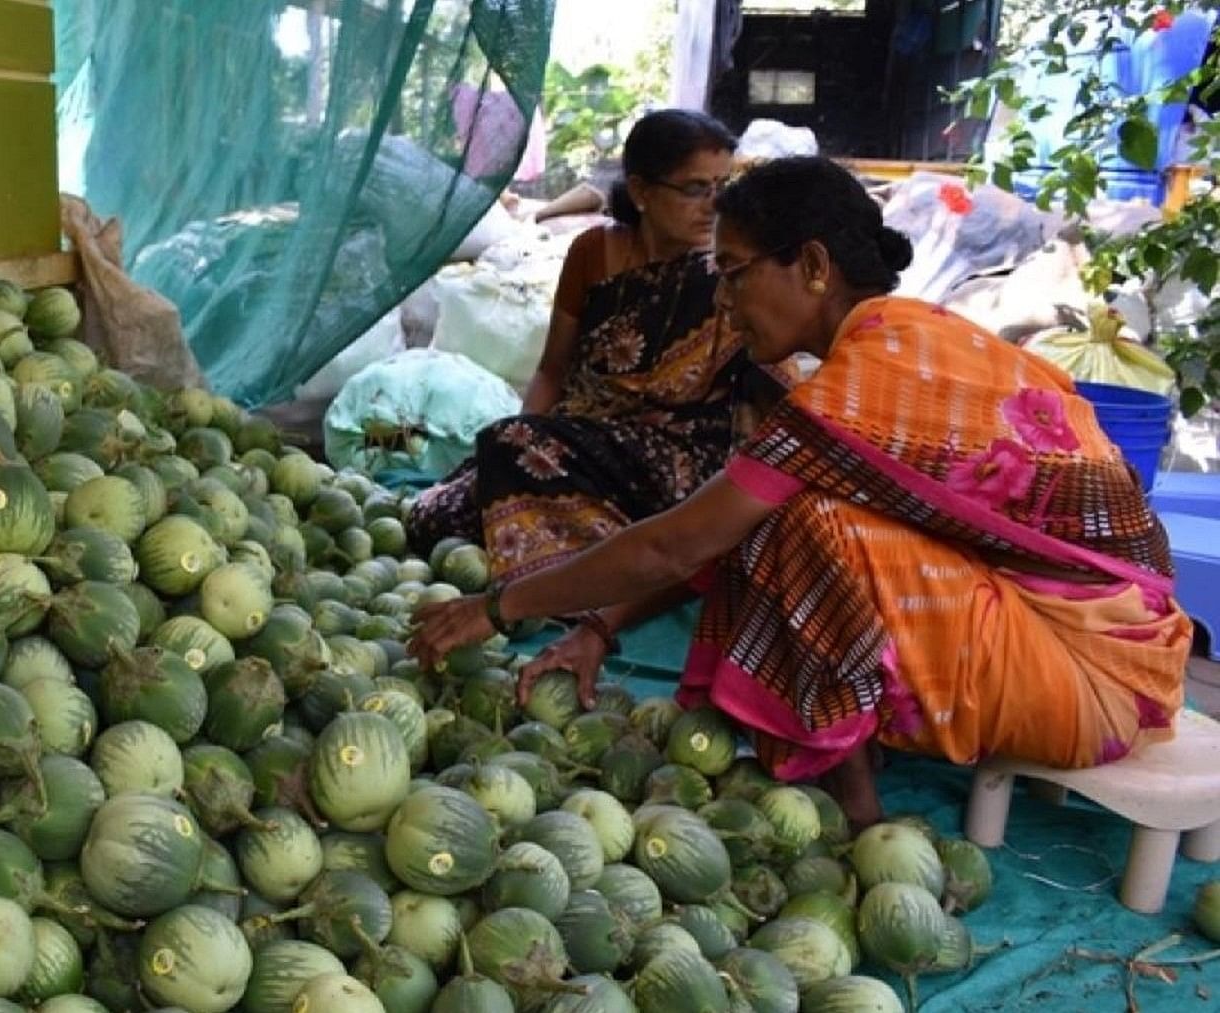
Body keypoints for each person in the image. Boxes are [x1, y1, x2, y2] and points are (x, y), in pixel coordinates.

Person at [409, 156, 1192, 828]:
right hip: (1127, 637)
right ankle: (851, 766)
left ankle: (856, 809)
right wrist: (598, 631)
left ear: (813, 267)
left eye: (733, 272)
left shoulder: (860, 386)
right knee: (778, 503)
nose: (720, 301)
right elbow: (704, 530)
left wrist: (496, 606)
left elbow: (678, 541)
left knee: (807, 521)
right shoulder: (915, 337)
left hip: (1095, 671)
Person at [409, 110, 792, 656]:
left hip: (683, 460)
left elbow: (778, 376)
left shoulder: (728, 270)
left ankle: (600, 575)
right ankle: (601, 558)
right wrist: (522, 434)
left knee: (509, 457)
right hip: (586, 445)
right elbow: (553, 369)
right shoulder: (594, 253)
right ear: (640, 190)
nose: (714, 205)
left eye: (722, 187)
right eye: (694, 189)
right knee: (438, 513)